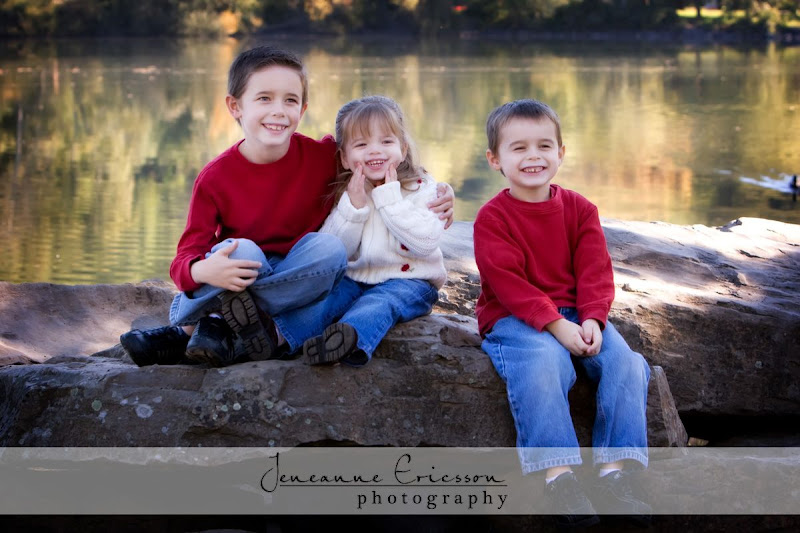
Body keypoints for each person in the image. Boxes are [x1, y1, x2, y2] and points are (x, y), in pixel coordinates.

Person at [119, 45, 454, 368]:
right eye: (264, 98)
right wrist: (201, 271)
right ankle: (207, 327)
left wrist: (441, 193)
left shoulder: (325, 157)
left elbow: (383, 161)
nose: (278, 110)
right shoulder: (214, 178)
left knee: (329, 249)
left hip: (302, 270)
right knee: (239, 251)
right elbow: (185, 257)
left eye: (290, 100)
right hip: (247, 273)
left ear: (302, 110)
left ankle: (208, 324)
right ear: (235, 106)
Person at [473, 99, 651, 528]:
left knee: (626, 363)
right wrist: (556, 326)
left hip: (578, 313)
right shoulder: (492, 218)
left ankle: (614, 473)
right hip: (516, 318)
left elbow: (595, 271)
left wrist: (592, 319)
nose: (533, 156)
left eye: (544, 146)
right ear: (495, 159)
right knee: (544, 361)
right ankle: (558, 477)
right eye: (518, 148)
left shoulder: (580, 209)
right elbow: (508, 284)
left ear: (561, 152)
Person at [300, 96, 447, 366]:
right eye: (361, 144)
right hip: (356, 278)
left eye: (386, 141)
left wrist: (390, 199)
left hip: (411, 282)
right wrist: (353, 208)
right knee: (326, 301)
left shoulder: (423, 187)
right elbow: (334, 251)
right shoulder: (350, 190)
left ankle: (348, 339)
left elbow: (425, 242)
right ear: (345, 157)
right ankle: (275, 337)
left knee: (380, 303)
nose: (375, 151)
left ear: (403, 148)